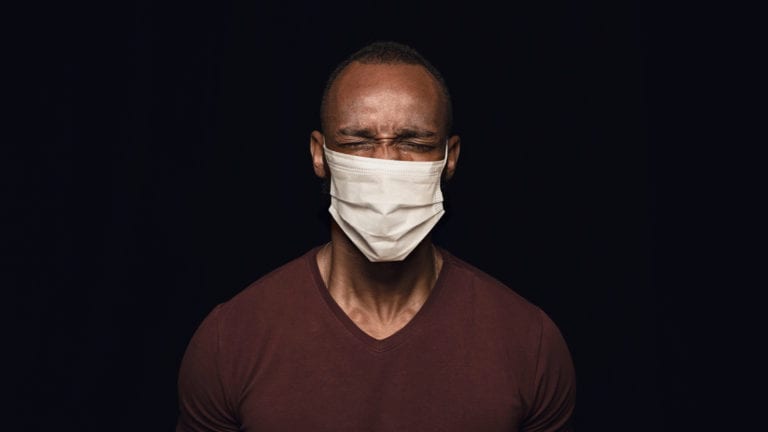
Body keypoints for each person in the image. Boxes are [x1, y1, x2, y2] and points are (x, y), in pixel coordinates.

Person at [176, 40, 576, 432]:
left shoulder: (528, 343)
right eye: (358, 142)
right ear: (319, 154)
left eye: (414, 142)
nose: (386, 164)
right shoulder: (231, 340)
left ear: (449, 158)